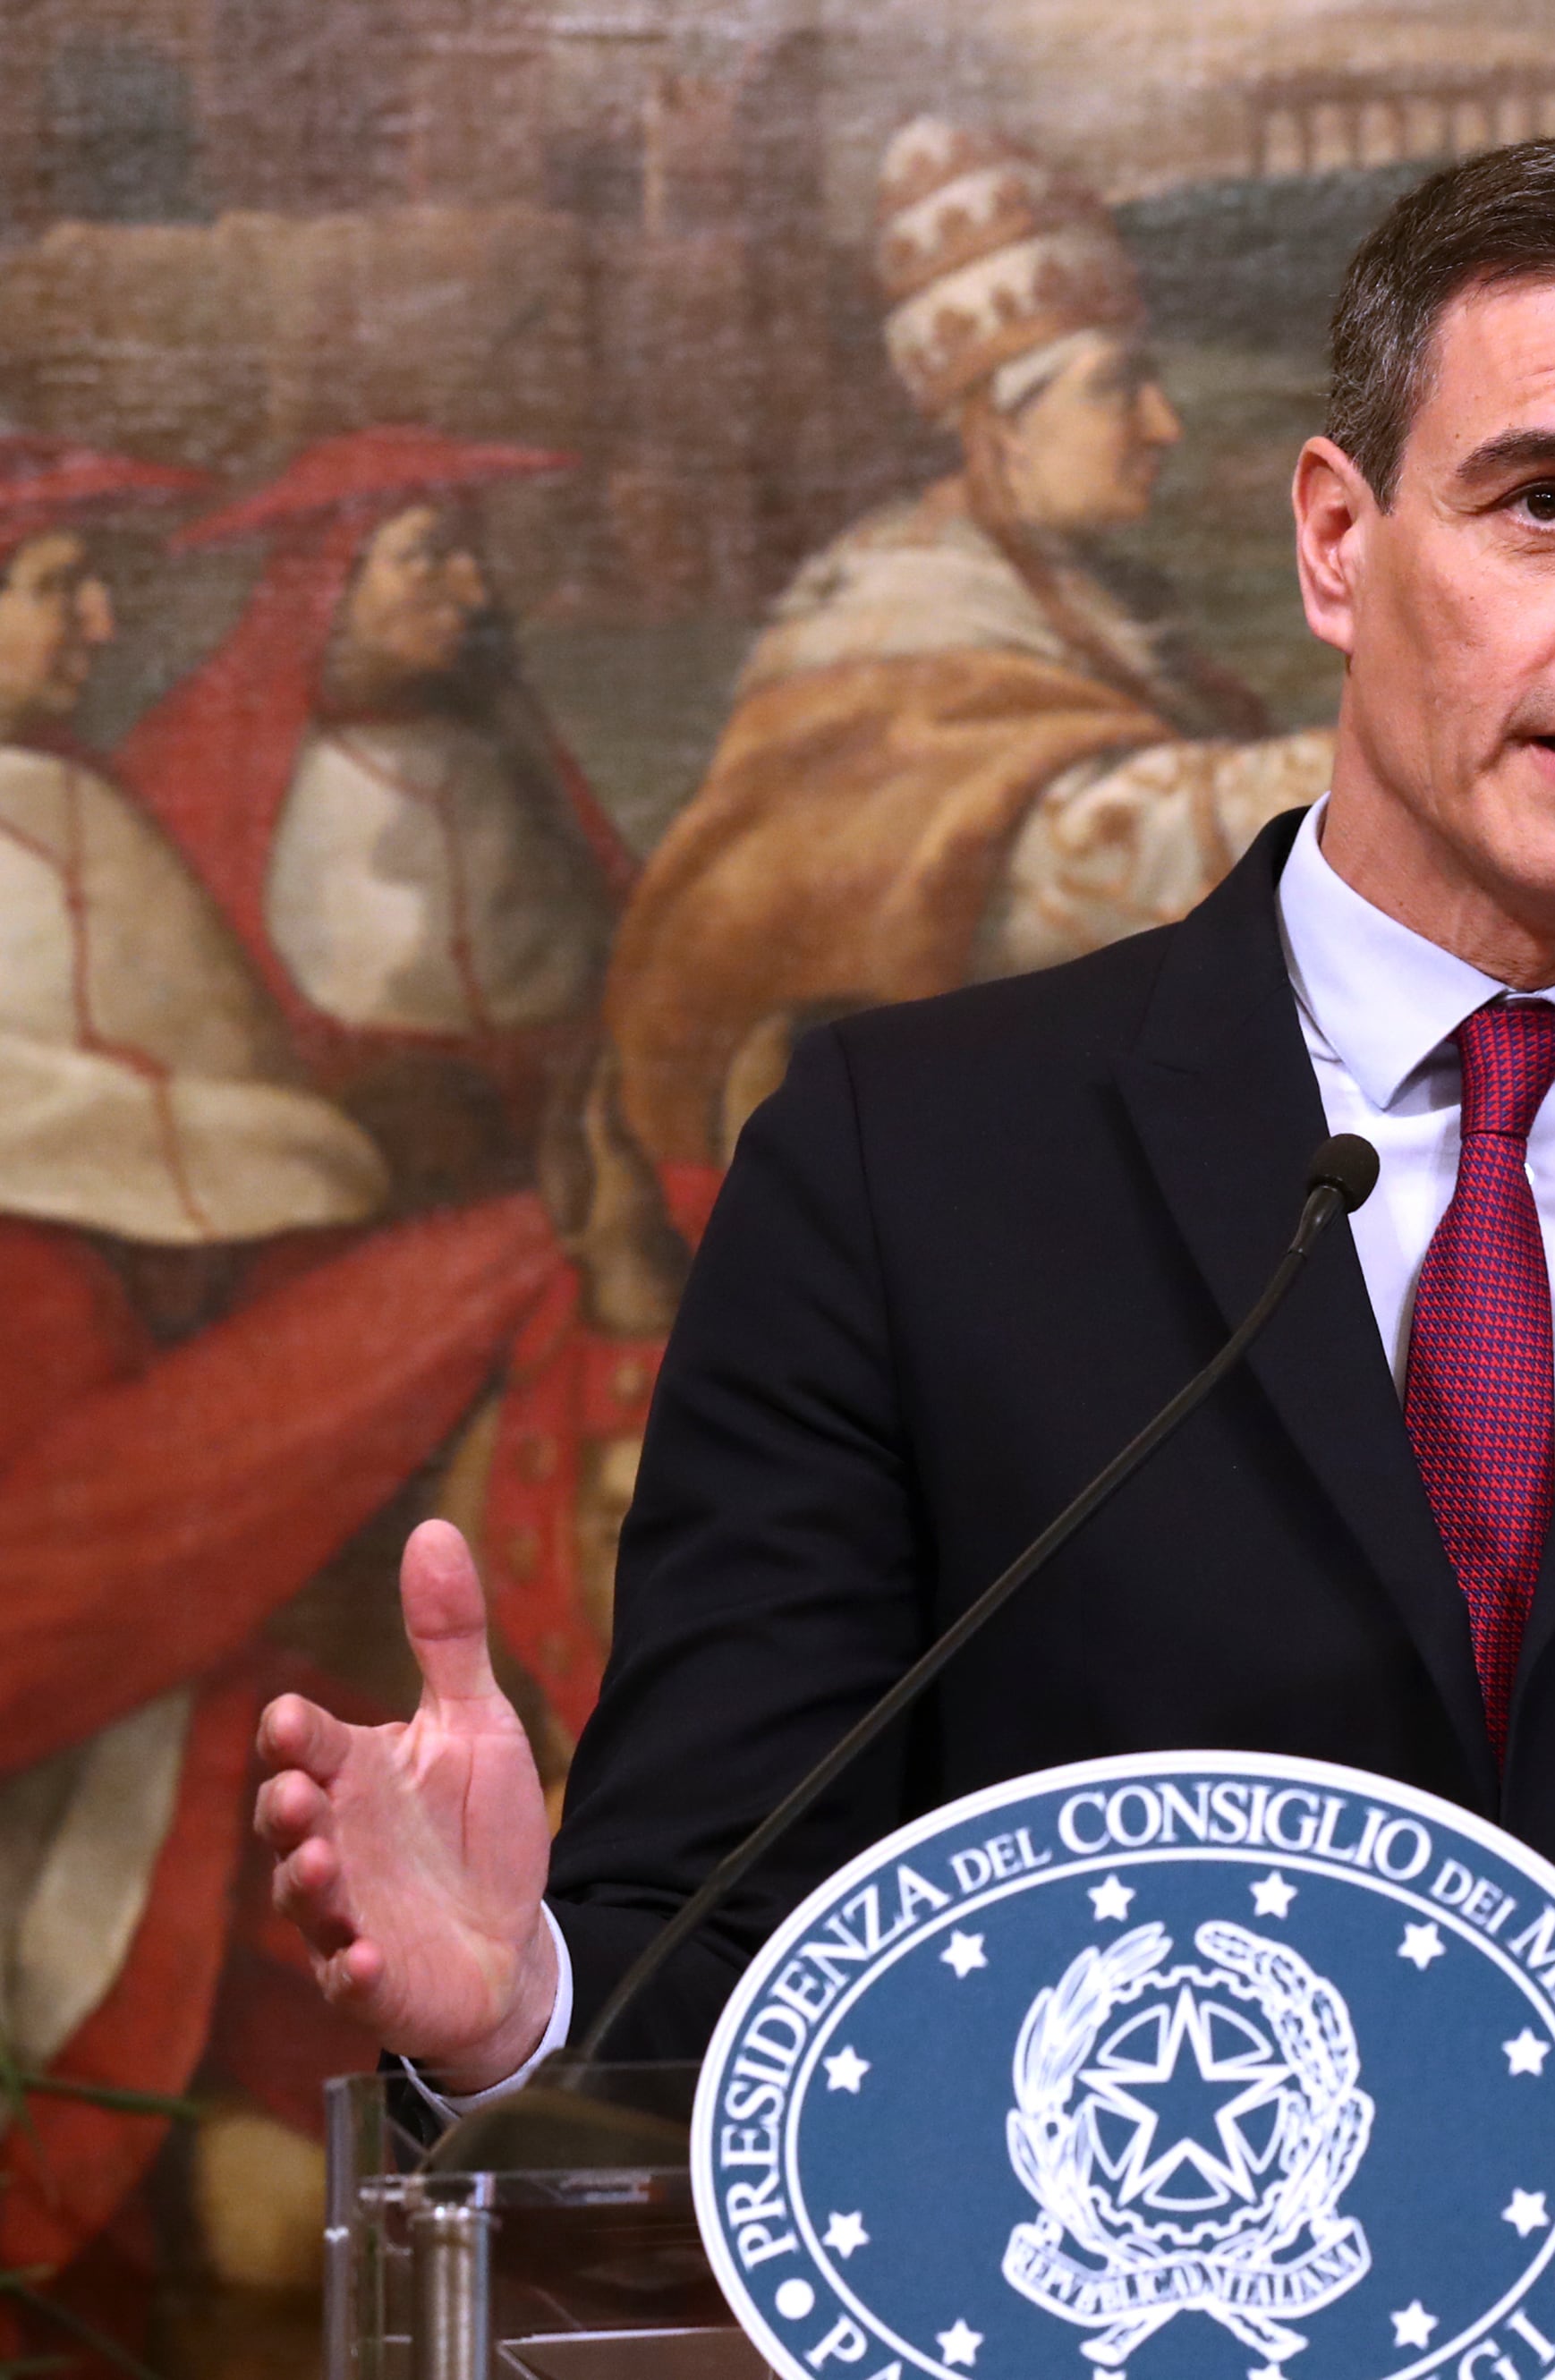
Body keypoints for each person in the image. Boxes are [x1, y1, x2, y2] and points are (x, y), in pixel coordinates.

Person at [251, 138, 1555, 2165]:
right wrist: (510, 2002)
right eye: (1550, 502)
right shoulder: (908, 1166)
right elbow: (714, 1952)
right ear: (1336, 543)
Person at [0, 437, 588, 2318]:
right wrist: (323, 1163)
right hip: (104, 1345)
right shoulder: (153, 795)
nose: (96, 619)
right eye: (55, 583)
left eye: (101, 580)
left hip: (243, 1288)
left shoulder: (87, 806)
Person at [601, 116, 1332, 1169]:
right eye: (1117, 386)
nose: (1163, 424)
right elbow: (1048, 874)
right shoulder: (894, 610)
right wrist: (1376, 770)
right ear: (1001, 421)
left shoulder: (1090, 595)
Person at [115, 428, 632, 1216]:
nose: (472, 590)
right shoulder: (206, 758)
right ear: (328, 583)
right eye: (426, 556)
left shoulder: (503, 745)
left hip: (561, 1133)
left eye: (471, 557)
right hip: (366, 1150)